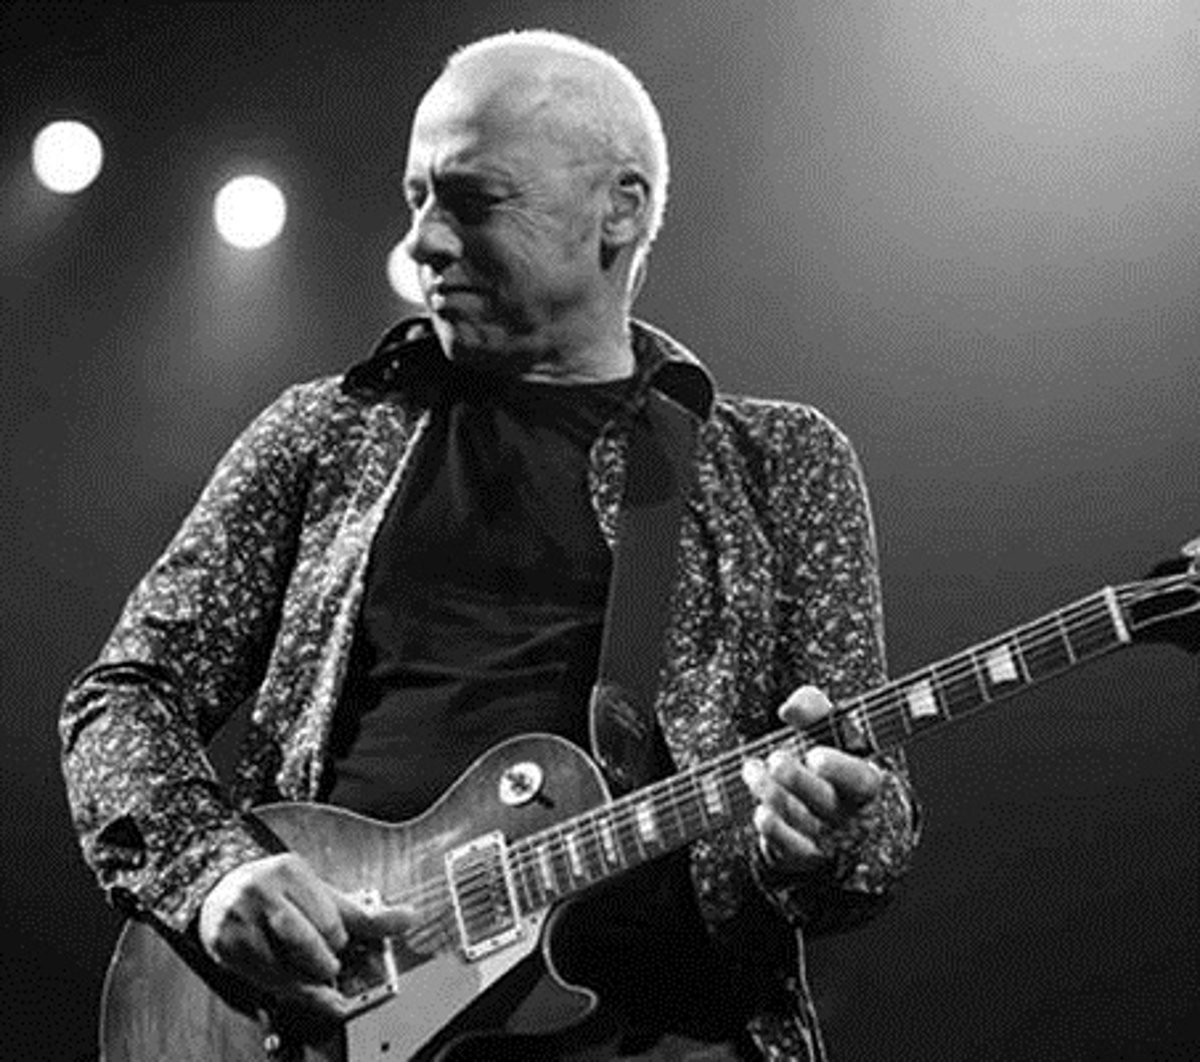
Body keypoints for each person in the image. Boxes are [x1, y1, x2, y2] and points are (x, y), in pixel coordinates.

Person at [61, 29, 920, 1062]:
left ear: (621, 210)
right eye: (417, 197)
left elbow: (870, 841)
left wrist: (819, 838)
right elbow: (125, 695)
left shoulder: (778, 463)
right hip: (323, 1029)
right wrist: (213, 877)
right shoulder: (326, 434)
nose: (423, 240)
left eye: (471, 201)